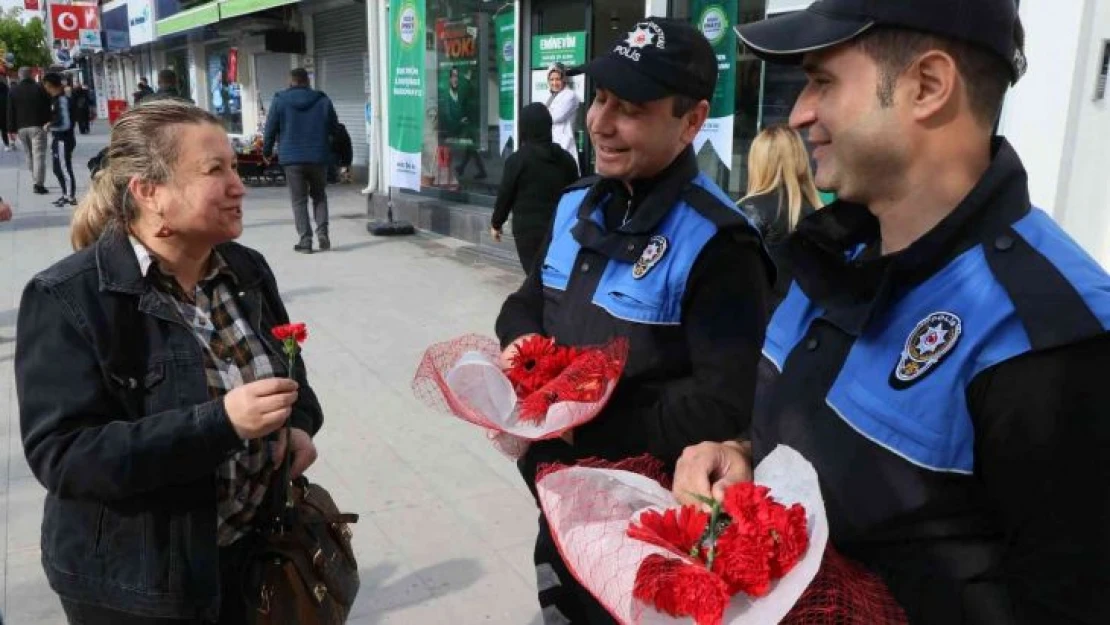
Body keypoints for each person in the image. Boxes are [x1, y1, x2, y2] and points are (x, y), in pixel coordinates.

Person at [673, 1, 1110, 624]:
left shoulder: (1051, 337)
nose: (799, 114)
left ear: (927, 86)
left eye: (822, 82)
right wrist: (742, 454)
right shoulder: (829, 251)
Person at [495, 18, 772, 623]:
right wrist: (523, 353)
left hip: (649, 538)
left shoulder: (720, 244)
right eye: (599, 99)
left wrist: (586, 426)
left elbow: (726, 404)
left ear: (692, 121)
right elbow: (524, 302)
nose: (599, 122)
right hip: (558, 505)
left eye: (630, 109)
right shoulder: (577, 204)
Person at [15, 100, 324, 624]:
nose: (239, 184)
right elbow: (63, 456)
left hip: (246, 560)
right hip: (138, 588)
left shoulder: (245, 270)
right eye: (215, 170)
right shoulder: (68, 297)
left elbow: (292, 381)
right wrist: (221, 423)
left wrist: (295, 426)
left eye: (234, 165)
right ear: (148, 191)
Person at [737, 124, 823, 307]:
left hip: (762, 324)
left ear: (758, 163)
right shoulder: (819, 214)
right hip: (802, 325)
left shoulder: (751, 209)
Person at [490, 103, 579, 272]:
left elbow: (505, 196)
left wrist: (496, 223)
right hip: (561, 229)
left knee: (534, 279)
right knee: (557, 279)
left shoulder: (517, 161)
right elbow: (576, 195)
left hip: (528, 232)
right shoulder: (566, 159)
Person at [263, 68, 340, 253]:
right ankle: (323, 234)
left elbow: (270, 128)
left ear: (291, 81)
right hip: (318, 157)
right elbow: (334, 128)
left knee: (299, 200)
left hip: (292, 159)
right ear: (308, 81)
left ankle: (305, 241)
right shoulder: (322, 100)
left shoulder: (280, 100)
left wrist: (267, 151)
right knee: (319, 196)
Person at [8, 67, 52, 194]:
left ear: (20, 76)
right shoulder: (39, 88)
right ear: (31, 75)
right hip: (38, 126)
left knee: (29, 155)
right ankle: (39, 184)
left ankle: (35, 179)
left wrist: (11, 129)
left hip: (21, 128)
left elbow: (10, 111)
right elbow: (47, 106)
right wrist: (48, 121)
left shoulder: (13, 90)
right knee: (39, 155)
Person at [440, 67, 487, 180]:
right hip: (458, 125)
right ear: (450, 79)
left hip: (468, 124)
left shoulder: (463, 90)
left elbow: (470, 97)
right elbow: (447, 112)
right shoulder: (448, 93)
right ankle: (468, 168)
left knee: (471, 146)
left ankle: (465, 168)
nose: (455, 79)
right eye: (453, 76)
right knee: (471, 147)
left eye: (457, 76)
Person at [42, 73, 77, 206]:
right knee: (57, 168)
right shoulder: (56, 99)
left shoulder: (61, 100)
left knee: (64, 168)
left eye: (45, 85)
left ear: (49, 85)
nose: (45, 88)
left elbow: (65, 124)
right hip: (58, 139)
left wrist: (49, 126)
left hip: (64, 139)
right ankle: (65, 193)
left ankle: (69, 196)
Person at [545, 63, 581, 173]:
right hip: (552, 145)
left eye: (557, 79)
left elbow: (555, 117)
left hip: (564, 144)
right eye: (551, 80)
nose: (554, 83)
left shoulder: (570, 96)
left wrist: (543, 114)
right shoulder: (550, 97)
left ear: (563, 79)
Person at [0, 77, 11, 151]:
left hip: (3, 111)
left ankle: (7, 144)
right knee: (4, 129)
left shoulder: (5, 87)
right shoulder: (5, 87)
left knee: (4, 129)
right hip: (4, 112)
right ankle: (6, 144)